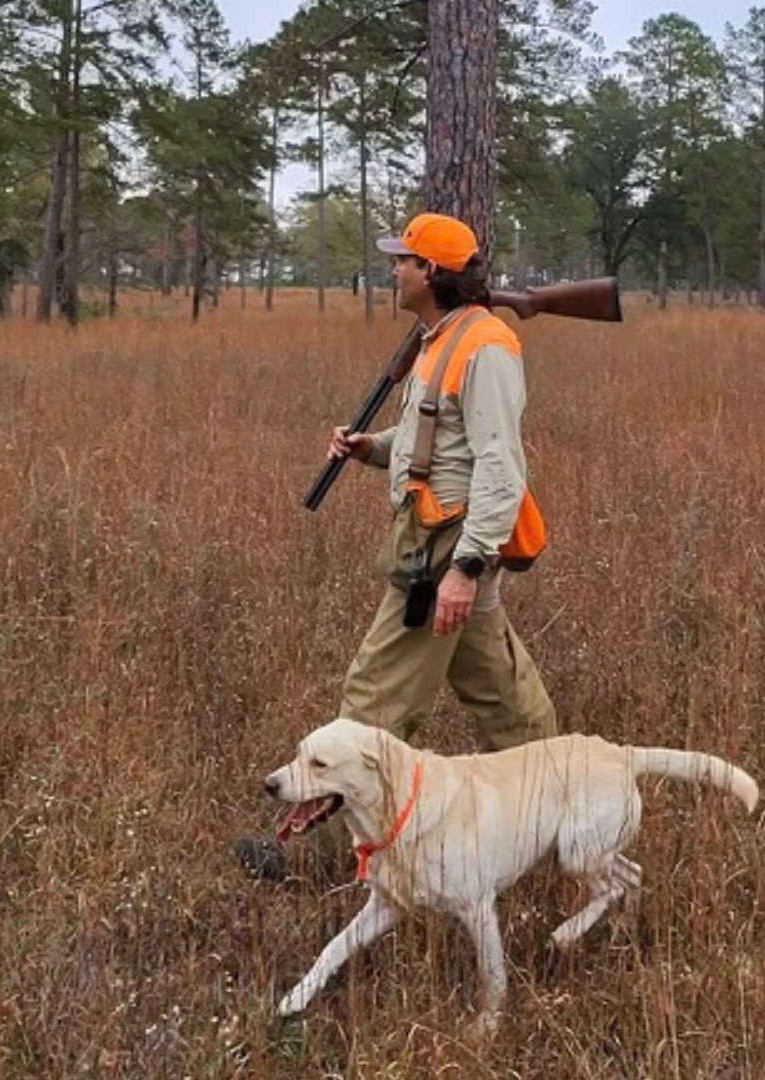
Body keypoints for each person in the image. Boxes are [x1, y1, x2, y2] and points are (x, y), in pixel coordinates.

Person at [237, 211, 559, 882]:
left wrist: (466, 569)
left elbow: (502, 469)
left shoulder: (486, 346)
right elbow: (435, 443)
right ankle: (561, 818)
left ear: (432, 274)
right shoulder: (438, 338)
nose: (394, 270)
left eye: (404, 261)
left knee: (369, 709)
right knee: (508, 703)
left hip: (444, 553)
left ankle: (323, 859)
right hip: (439, 541)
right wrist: (370, 448)